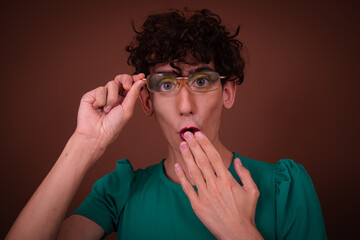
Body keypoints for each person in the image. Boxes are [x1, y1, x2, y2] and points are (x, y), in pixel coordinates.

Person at [6, 8, 327, 240]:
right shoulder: (122, 191)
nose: (186, 107)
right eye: (167, 85)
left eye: (202, 81)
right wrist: (85, 141)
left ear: (227, 93)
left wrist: (239, 232)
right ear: (147, 101)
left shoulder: (285, 187)